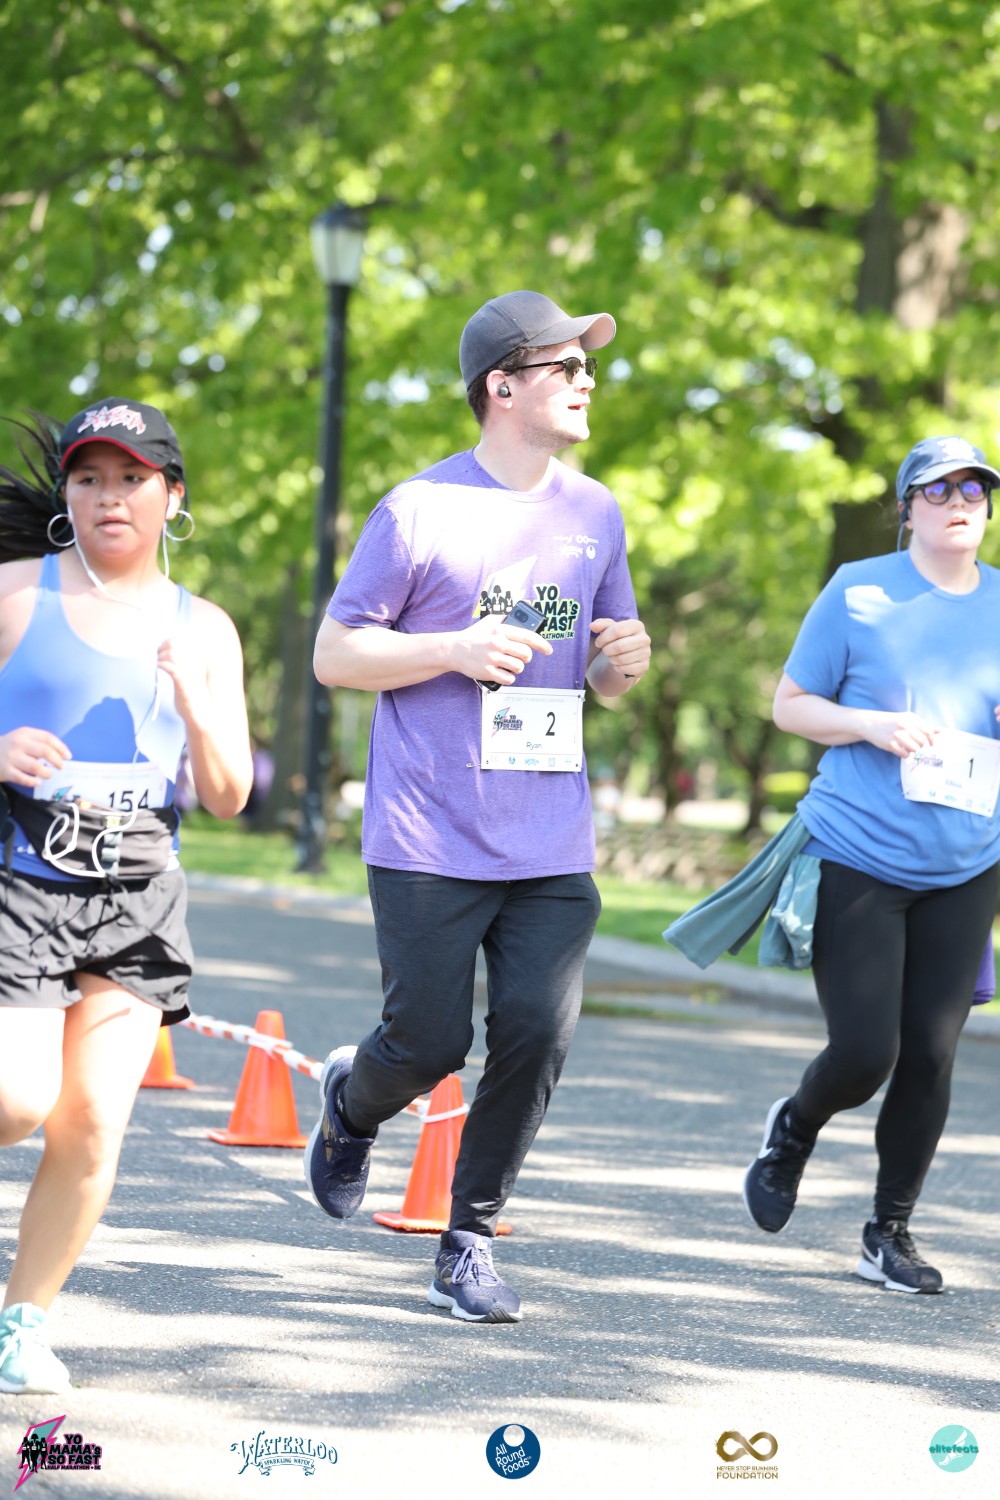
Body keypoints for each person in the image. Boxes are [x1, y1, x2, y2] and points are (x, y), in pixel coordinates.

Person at [304, 290, 651, 1322]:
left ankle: (467, 1241)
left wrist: (625, 661)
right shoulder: (419, 511)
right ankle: (350, 1104)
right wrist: (451, 649)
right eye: (565, 366)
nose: (586, 381)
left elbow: (605, 671)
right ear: (502, 386)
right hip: (428, 831)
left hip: (549, 836)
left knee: (537, 1033)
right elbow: (335, 654)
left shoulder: (595, 512)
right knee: (425, 1045)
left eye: (587, 365)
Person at [0, 398, 252, 1392]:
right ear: (66, 494)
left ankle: (21, 1324)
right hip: (21, 878)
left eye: (133, 478)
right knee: (17, 1100)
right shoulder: (17, 594)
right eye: (90, 477)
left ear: (171, 497)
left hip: (138, 894)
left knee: (94, 1121)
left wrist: (195, 703)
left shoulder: (207, 629)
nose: (111, 496)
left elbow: (228, 793)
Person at [743, 435, 1000, 1294]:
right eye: (938, 490)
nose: (959, 503)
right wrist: (870, 725)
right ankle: (793, 1129)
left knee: (931, 1054)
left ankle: (889, 1233)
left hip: (967, 860)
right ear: (906, 508)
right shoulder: (860, 591)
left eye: (974, 489)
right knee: (864, 1053)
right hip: (859, 851)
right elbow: (790, 706)